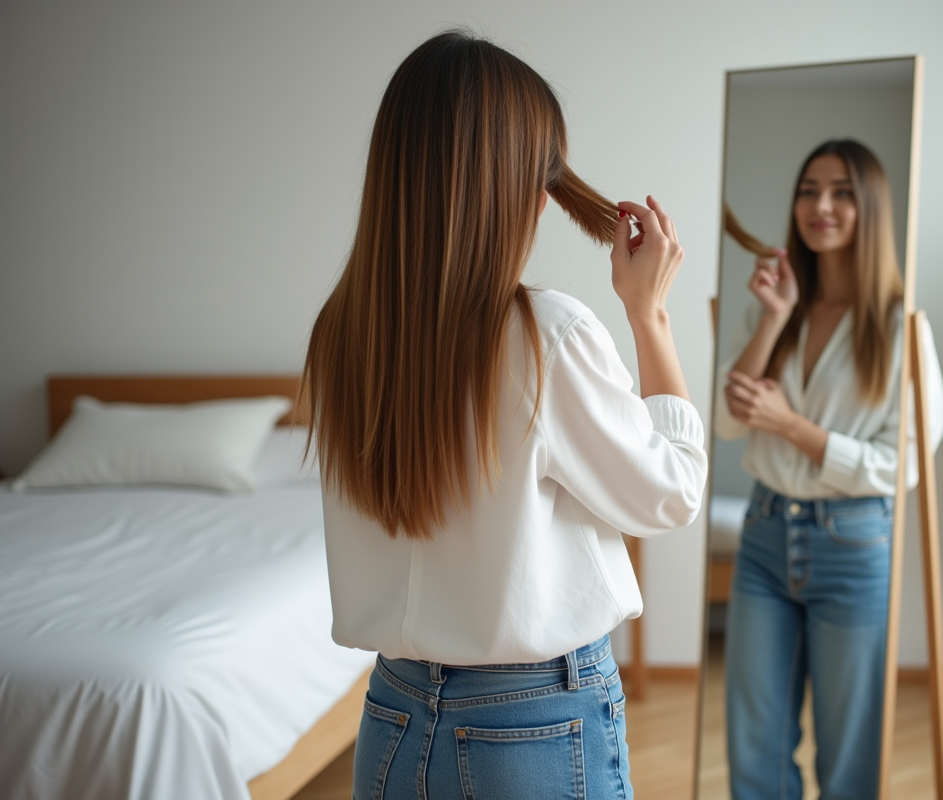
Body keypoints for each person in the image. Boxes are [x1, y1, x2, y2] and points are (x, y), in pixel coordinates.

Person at [301, 31, 707, 800]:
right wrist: (649, 316)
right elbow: (674, 493)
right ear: (513, 181)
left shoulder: (339, 333)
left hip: (392, 716)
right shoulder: (544, 335)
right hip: (531, 723)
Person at [715, 139, 943, 800]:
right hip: (763, 536)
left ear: (870, 207)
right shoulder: (770, 309)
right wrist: (775, 319)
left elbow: (899, 466)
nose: (821, 206)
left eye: (842, 191)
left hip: (855, 546)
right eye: (808, 189)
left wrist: (793, 425)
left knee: (850, 753)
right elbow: (728, 422)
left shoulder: (900, 327)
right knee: (754, 746)